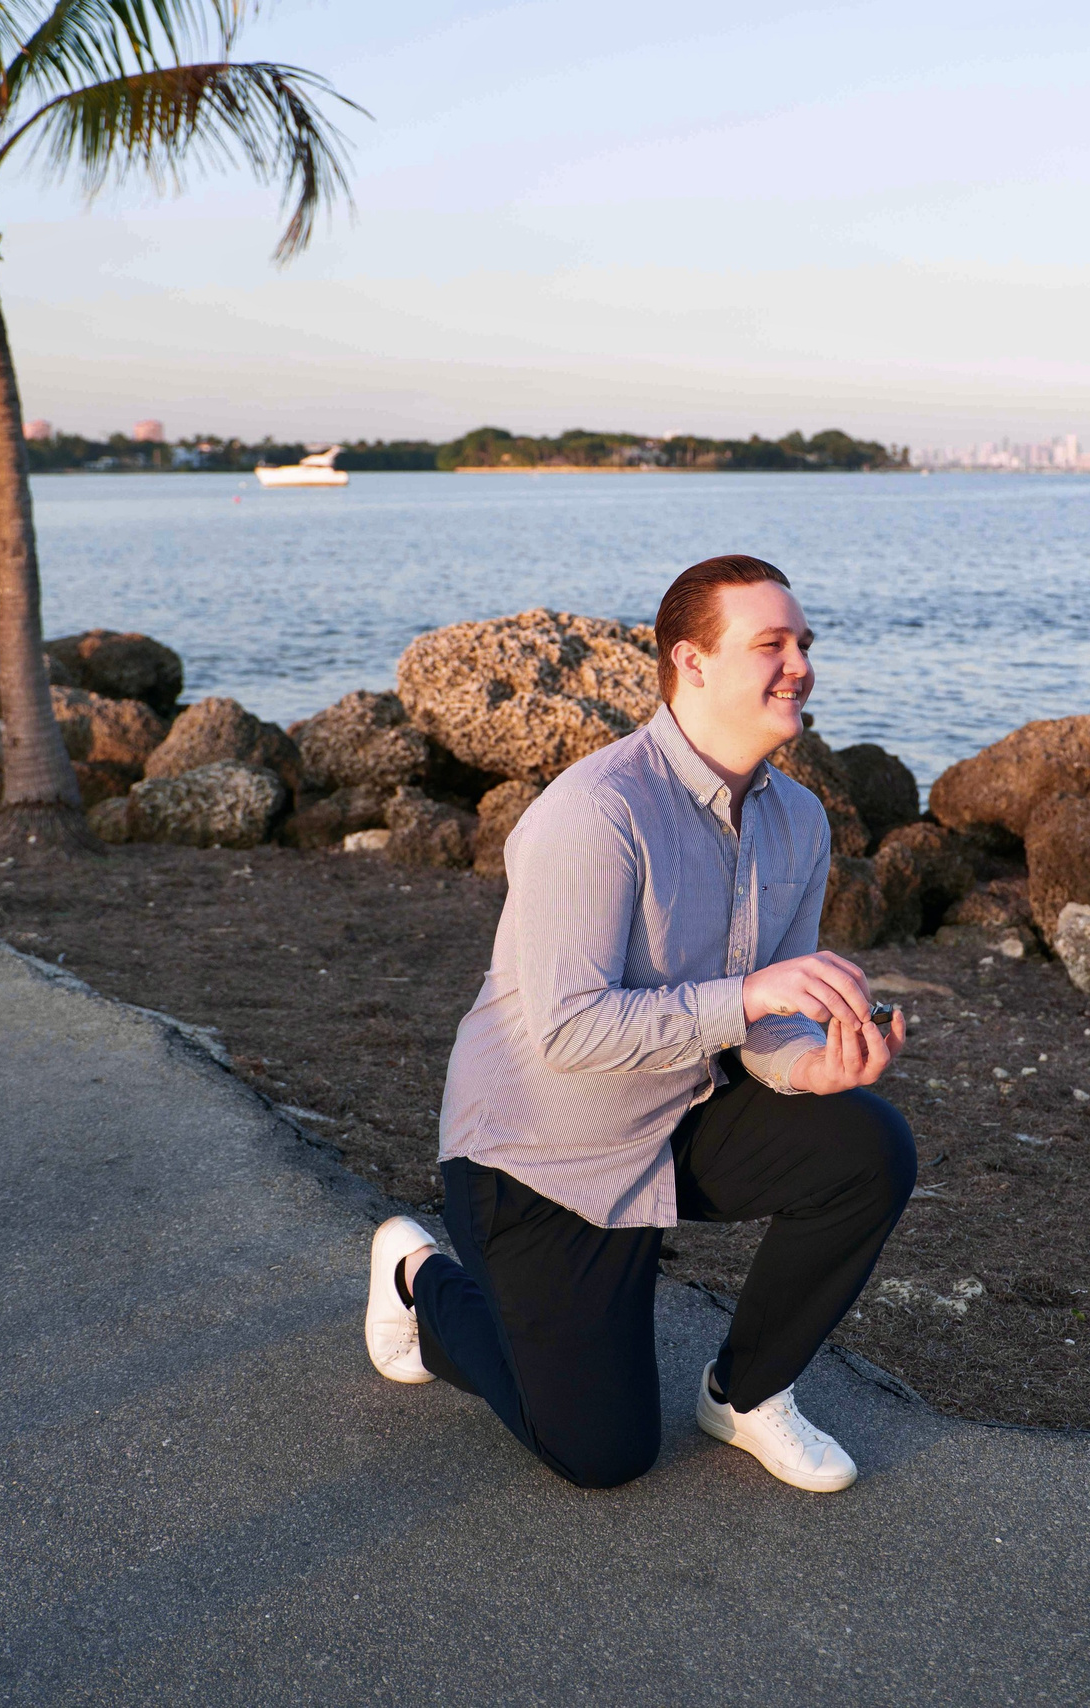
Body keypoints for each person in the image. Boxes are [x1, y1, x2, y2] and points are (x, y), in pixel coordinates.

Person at [360, 553, 917, 1493]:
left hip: (674, 1113)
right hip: (537, 1157)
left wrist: (808, 1068)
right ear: (690, 663)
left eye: (805, 645)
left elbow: (767, 1027)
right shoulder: (596, 809)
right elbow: (570, 1031)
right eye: (771, 645)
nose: (801, 666)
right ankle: (422, 1278)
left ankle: (746, 1394)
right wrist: (751, 999)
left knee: (869, 1146)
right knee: (602, 1452)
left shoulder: (802, 823)